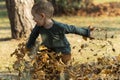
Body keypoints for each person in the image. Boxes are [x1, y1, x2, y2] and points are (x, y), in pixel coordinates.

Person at [26, 0, 94, 79]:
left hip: (63, 52)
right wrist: (29, 46)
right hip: (48, 50)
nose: (33, 19)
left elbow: (73, 29)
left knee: (63, 71)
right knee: (45, 65)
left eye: (34, 16)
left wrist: (87, 32)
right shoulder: (38, 27)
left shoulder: (59, 27)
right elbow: (33, 36)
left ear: (42, 16)